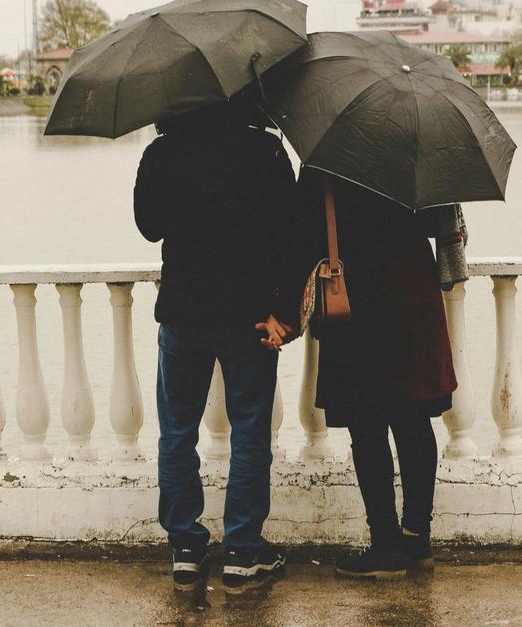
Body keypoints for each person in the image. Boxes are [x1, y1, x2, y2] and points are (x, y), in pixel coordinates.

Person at [134, 100, 297, 593]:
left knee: (177, 432)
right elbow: (290, 236)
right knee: (249, 433)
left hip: (184, 311)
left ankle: (186, 547)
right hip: (249, 314)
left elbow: (149, 226)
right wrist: (283, 312)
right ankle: (243, 552)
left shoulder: (163, 152)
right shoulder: (265, 150)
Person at [283, 170, 457, 579]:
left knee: (367, 425)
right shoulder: (413, 148)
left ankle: (385, 545)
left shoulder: (325, 162)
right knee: (413, 419)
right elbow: (437, 222)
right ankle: (417, 538)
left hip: (355, 295)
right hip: (411, 293)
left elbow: (301, 234)